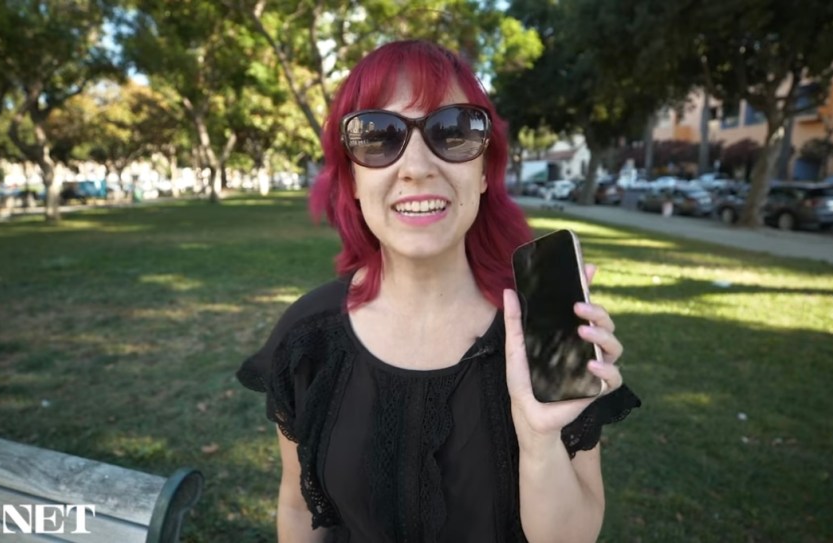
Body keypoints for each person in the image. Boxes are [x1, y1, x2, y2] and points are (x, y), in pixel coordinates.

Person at [236, 40, 641, 542]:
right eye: (377, 135)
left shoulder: (544, 330)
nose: (417, 166)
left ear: (485, 170)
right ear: (353, 179)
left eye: (452, 131)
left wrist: (540, 439)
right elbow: (298, 508)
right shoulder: (307, 337)